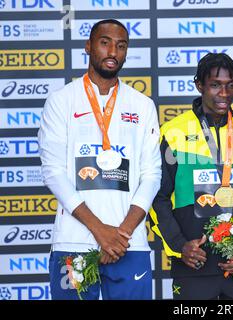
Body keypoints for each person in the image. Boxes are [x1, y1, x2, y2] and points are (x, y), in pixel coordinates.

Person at [38, 19, 161, 300]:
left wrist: (121, 234)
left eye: (121, 45)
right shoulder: (61, 101)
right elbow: (53, 173)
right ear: (88, 46)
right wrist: (100, 232)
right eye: (105, 42)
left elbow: (152, 174)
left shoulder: (142, 105)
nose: (113, 52)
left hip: (129, 244)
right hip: (74, 241)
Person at [151, 53, 233, 300]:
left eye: (231, 85)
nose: (224, 93)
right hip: (194, 264)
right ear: (199, 85)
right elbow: (156, 197)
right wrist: (180, 246)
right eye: (215, 85)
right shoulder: (173, 132)